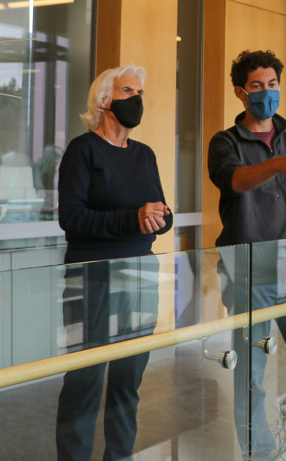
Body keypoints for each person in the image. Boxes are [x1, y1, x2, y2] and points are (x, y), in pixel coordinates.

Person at [55, 64, 172, 461]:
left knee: (128, 381)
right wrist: (134, 218)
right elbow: (71, 218)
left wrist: (159, 216)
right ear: (105, 100)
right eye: (128, 91)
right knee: (85, 380)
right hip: (90, 279)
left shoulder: (145, 154)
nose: (137, 99)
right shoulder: (82, 150)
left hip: (140, 275)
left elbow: (161, 210)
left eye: (140, 91)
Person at [208, 49, 286, 460]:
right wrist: (275, 166)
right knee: (251, 376)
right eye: (257, 86)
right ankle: (261, 455)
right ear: (240, 92)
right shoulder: (224, 142)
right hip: (247, 270)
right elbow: (235, 181)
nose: (267, 93)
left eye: (272, 84)